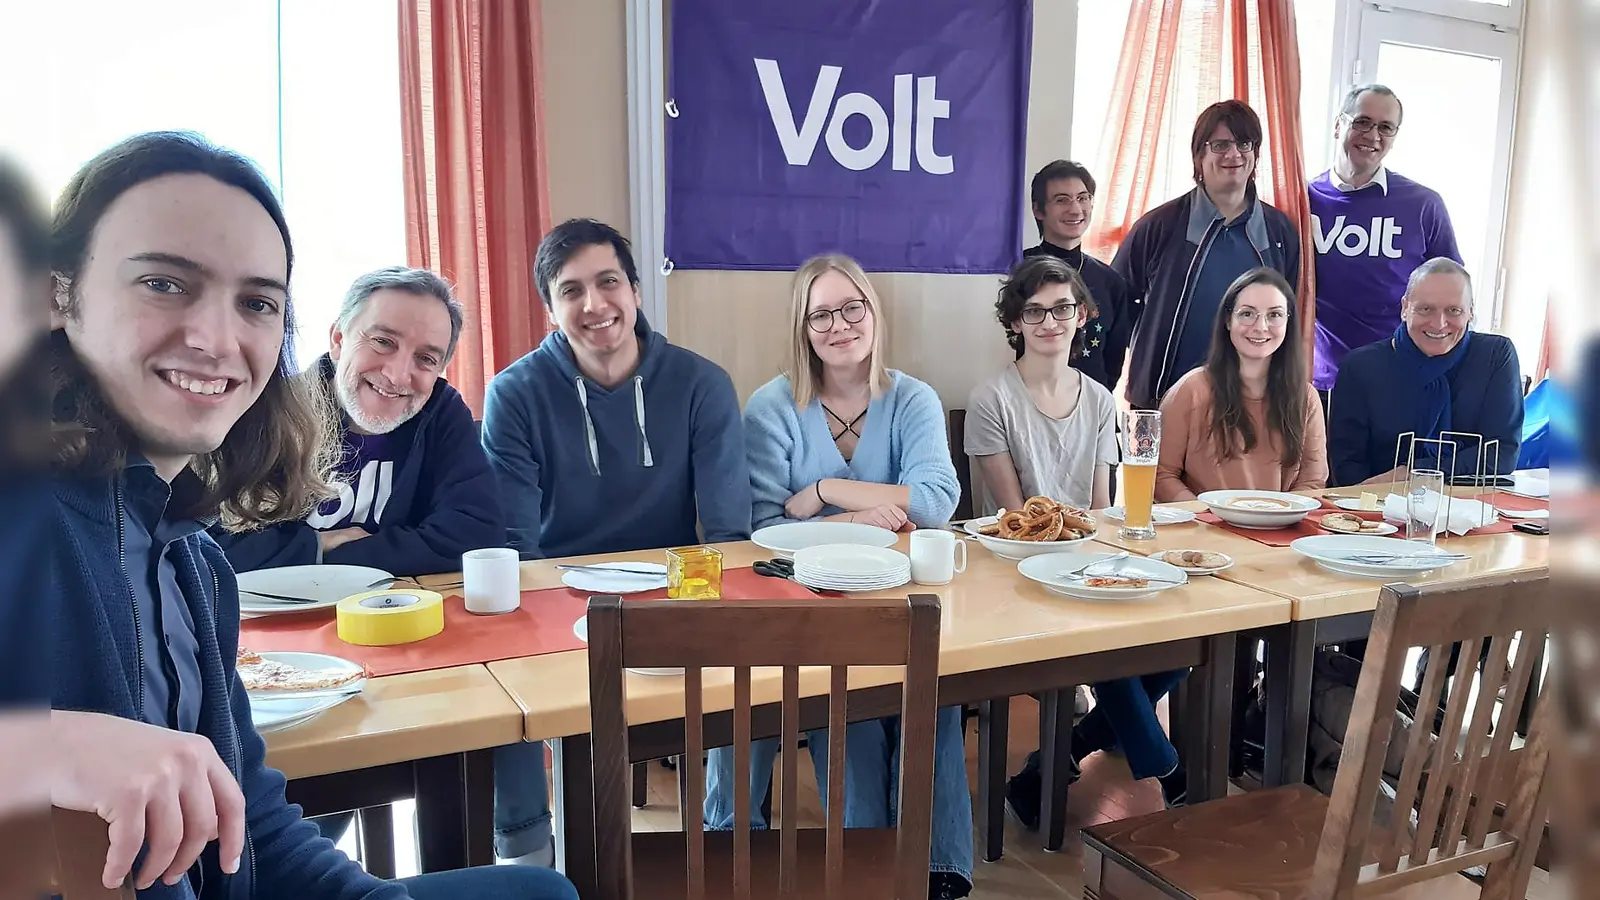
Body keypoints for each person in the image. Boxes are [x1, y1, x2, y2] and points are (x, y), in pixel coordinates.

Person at [43, 131, 576, 899]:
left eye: (256, 302)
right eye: (163, 283)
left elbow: (253, 822)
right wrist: (40, 746)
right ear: (58, 293)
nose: (216, 337)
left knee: (541, 891)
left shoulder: (193, 563)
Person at [480, 217, 752, 865]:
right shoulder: (514, 394)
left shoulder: (700, 384)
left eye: (608, 282)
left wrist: (688, 620)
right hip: (555, 604)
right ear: (551, 310)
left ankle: (725, 840)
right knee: (499, 674)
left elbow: (726, 533)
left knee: (750, 654)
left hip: (672, 598)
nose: (594, 304)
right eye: (571, 290)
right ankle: (527, 856)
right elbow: (516, 546)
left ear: (634, 290)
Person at [707, 254, 972, 900]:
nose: (840, 324)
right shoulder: (772, 406)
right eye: (821, 313)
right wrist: (868, 517)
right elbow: (765, 528)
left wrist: (825, 489)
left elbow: (937, 499)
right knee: (842, 700)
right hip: (802, 605)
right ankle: (866, 866)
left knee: (935, 690)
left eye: (852, 308)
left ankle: (935, 872)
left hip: (897, 598)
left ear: (873, 315)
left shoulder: (912, 398)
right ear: (803, 327)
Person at [212, 266, 503, 576]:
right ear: (338, 339)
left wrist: (322, 556)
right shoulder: (266, 409)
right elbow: (206, 548)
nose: (397, 375)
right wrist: (316, 544)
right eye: (383, 342)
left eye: (426, 359)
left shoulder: (441, 412)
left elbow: (478, 539)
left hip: (395, 610)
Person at [1113, 100, 1301, 411]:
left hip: (1251, 404)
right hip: (1160, 401)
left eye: (1244, 143)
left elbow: (1288, 315)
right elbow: (1116, 308)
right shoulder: (1159, 226)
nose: (1234, 154)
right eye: (1220, 144)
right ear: (1199, 156)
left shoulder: (1279, 232)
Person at [1310, 85, 1460, 404]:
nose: (1373, 135)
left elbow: (1453, 294)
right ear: (1339, 125)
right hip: (1320, 384)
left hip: (1399, 381)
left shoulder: (1423, 205)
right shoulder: (1302, 202)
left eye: (1385, 127)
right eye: (1362, 122)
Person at [1328, 258, 1523, 487]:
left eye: (1453, 310)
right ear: (1404, 308)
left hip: (1471, 507)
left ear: (1470, 312)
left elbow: (1502, 454)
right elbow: (1346, 468)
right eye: (1426, 309)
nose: (1439, 324)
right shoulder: (1360, 366)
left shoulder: (1496, 356)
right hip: (1380, 507)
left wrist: (1413, 474)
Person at [1156, 267, 1327, 501]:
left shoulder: (1306, 397)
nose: (1260, 327)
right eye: (1247, 314)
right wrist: (1208, 517)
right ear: (1228, 320)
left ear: (1289, 322)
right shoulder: (1190, 390)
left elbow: (1312, 482)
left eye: (1274, 315)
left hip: (1279, 530)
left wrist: (1274, 515)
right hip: (1204, 530)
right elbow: (1161, 475)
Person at [966, 255, 1118, 513]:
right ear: (1016, 322)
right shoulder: (990, 399)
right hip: (1016, 546)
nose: (1050, 323)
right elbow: (1016, 515)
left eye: (1061, 309)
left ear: (1081, 315)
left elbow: (1101, 509)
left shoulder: (1100, 399)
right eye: (1034, 311)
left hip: (1086, 545)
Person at [1022, 160, 1132, 393]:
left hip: (1093, 411)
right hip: (1028, 406)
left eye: (1083, 198)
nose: (1075, 209)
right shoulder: (1017, 271)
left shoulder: (1112, 282)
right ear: (1038, 210)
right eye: (1062, 200)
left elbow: (1113, 363)